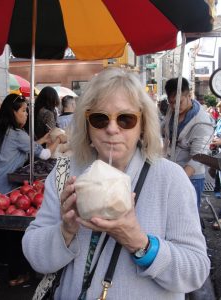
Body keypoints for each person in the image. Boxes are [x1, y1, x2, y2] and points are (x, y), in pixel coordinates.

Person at [22, 68, 210, 300]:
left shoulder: (170, 179)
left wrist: (138, 242)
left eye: (126, 119)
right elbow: (35, 255)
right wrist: (66, 230)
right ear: (87, 125)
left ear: (142, 124)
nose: (112, 129)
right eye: (100, 118)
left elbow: (196, 271)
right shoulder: (65, 173)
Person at [0, 93, 67, 194]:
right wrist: (59, 139)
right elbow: (45, 154)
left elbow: (24, 147)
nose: (27, 114)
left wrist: (42, 140)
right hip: (6, 189)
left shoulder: (2, 129)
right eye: (24, 110)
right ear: (13, 112)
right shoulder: (17, 134)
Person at [163, 77, 214, 208]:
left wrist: (179, 182)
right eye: (171, 103)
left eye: (179, 102)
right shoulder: (173, 109)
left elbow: (198, 158)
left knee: (188, 219)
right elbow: (163, 128)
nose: (175, 106)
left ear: (189, 95)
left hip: (192, 177)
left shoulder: (202, 122)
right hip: (171, 170)